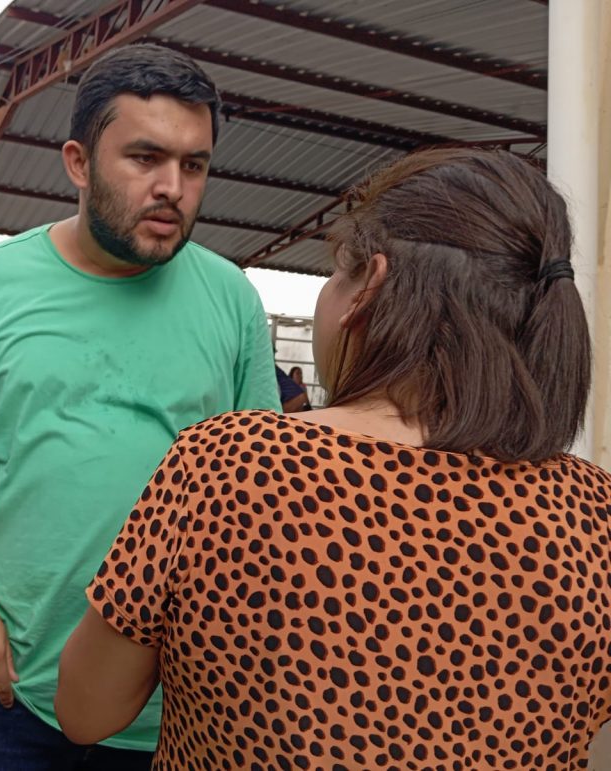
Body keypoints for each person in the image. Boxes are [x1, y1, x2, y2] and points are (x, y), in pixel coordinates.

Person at [56, 148, 611, 769]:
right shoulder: (593, 514)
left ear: (366, 285)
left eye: (334, 272)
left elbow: (86, 710)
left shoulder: (230, 466)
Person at [0, 43, 281, 768]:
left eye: (194, 165)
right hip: (0, 686)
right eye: (145, 158)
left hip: (172, 701)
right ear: (77, 162)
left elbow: (259, 489)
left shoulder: (233, 301)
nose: (173, 187)